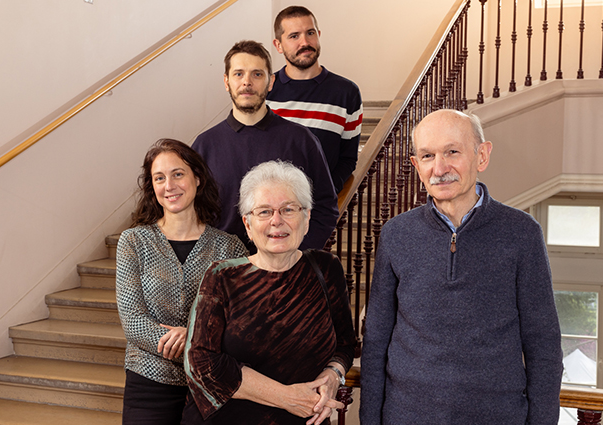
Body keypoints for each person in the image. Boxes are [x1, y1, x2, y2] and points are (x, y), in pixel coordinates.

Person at [360, 110, 563, 424]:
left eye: (452, 152)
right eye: (427, 156)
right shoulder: (396, 234)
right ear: (416, 166)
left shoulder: (522, 233)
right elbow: (375, 339)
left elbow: (543, 343)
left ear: (482, 156)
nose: (439, 168)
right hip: (406, 416)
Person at [181, 161, 357, 425]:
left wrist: (333, 375)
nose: (277, 221)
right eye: (264, 212)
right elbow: (201, 363)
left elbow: (345, 344)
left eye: (288, 209)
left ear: (306, 218)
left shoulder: (326, 268)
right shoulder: (221, 276)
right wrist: (287, 397)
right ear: (248, 224)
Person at [115, 139, 248, 425]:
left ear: (197, 178)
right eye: (159, 178)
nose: (169, 185)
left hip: (210, 384)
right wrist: (197, 342)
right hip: (148, 382)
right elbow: (133, 321)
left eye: (178, 174)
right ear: (152, 187)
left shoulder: (230, 248)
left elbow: (238, 320)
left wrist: (189, 337)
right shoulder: (133, 242)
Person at [192, 40, 338, 254]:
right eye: (239, 74)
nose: (247, 82)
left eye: (257, 74)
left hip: (285, 266)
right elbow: (192, 214)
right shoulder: (204, 145)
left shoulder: (300, 140)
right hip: (222, 271)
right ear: (226, 81)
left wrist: (298, 253)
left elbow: (325, 206)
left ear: (271, 82)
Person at [266, 6, 363, 193]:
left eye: (310, 33)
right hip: (268, 207)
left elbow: (348, 159)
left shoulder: (346, 93)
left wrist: (325, 195)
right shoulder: (265, 90)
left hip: (319, 211)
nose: (305, 42)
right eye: (294, 36)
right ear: (278, 45)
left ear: (318, 35)